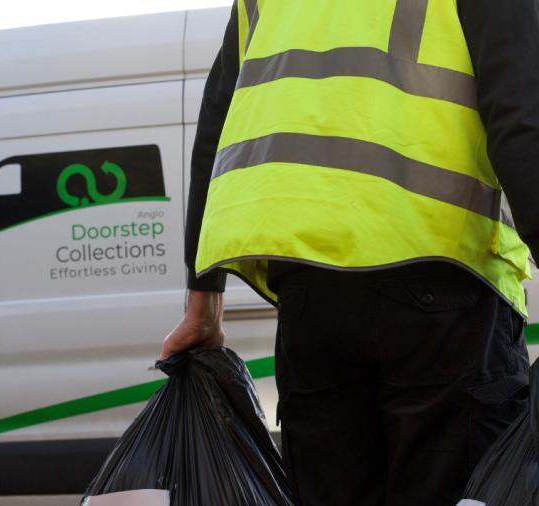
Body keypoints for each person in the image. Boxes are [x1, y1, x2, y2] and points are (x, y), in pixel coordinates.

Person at [161, 1, 539, 505]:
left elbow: (217, 121)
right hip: (441, 276)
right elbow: (521, 118)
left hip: (311, 293)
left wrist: (203, 300)